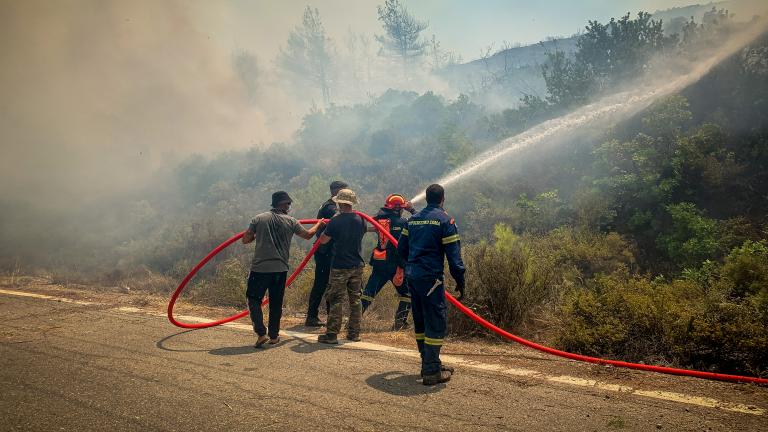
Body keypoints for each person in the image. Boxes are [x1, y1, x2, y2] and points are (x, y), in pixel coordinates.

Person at [397, 184, 465, 385]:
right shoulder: (445, 220)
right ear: (443, 199)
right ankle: (431, 371)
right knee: (435, 321)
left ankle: (428, 362)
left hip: (413, 278)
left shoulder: (413, 220)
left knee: (420, 321)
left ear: (426, 199)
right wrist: (460, 281)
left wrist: (410, 267)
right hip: (431, 280)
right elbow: (454, 258)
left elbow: (401, 250)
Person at [242, 191, 325, 347]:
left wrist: (257, 235)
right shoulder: (291, 221)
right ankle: (274, 336)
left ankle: (261, 333)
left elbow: (245, 239)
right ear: (283, 204)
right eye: (288, 203)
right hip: (280, 270)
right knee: (276, 303)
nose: (289, 206)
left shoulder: (258, 219)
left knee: (253, 300)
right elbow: (308, 235)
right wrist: (319, 224)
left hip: (260, 269)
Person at [317, 188, 368, 344]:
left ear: (339, 203)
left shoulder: (336, 221)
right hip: (357, 265)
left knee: (336, 299)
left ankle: (332, 335)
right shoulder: (361, 220)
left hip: (340, 266)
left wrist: (323, 227)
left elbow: (323, 240)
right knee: (356, 300)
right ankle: (354, 333)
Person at [361, 194, 416, 330]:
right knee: (407, 293)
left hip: (380, 263)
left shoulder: (380, 220)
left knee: (369, 292)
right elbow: (420, 222)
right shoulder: (403, 222)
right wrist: (412, 209)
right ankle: (400, 323)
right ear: (399, 209)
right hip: (395, 264)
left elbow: (369, 220)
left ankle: (353, 320)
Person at [305, 180, 348, 327]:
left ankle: (330, 316)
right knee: (323, 283)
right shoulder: (330, 208)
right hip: (325, 251)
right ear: (336, 192)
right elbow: (340, 219)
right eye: (344, 191)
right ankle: (312, 316)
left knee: (330, 283)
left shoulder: (332, 206)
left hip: (330, 251)